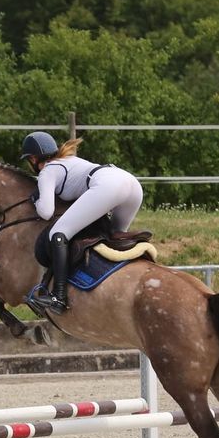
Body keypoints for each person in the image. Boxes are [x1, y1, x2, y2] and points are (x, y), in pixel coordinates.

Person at [20, 131, 144, 314]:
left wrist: (36, 200)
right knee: (113, 239)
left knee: (58, 234)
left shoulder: (48, 170)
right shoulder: (69, 160)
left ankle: (58, 298)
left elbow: (46, 212)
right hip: (132, 184)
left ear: (32, 158)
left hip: (109, 185)